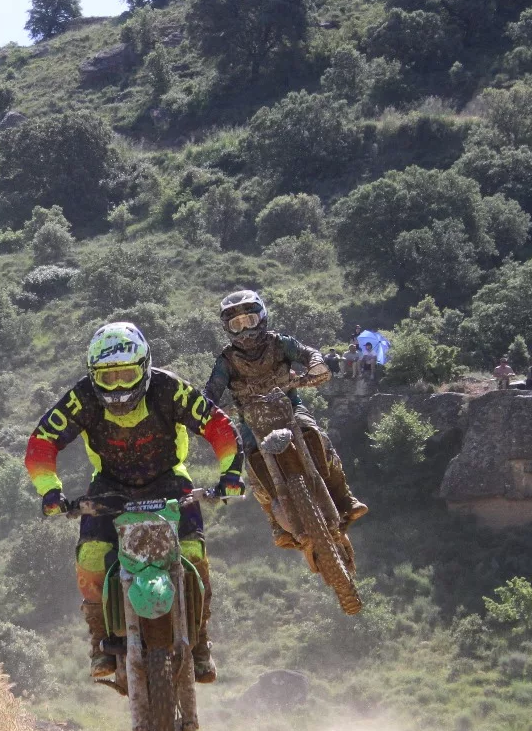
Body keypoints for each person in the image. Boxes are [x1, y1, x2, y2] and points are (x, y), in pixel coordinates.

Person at [25, 322, 243, 685]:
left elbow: (217, 426)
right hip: (109, 487)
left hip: (170, 480)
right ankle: (99, 642)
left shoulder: (168, 388)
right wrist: (51, 492)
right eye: (108, 379)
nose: (119, 387)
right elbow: (42, 442)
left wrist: (231, 475)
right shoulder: (82, 398)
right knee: (91, 558)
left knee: (194, 554)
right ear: (94, 376)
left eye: (127, 375)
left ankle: (201, 643)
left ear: (144, 367)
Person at [203, 290, 369, 553]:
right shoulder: (226, 361)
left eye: (249, 320)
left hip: (290, 408)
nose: (244, 329)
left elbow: (308, 353)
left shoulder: (280, 343)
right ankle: (277, 524)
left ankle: (346, 498)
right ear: (227, 329)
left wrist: (316, 364)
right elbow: (212, 389)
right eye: (236, 325)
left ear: (262, 318)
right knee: (254, 473)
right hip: (251, 422)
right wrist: (203, 407)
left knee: (320, 439)